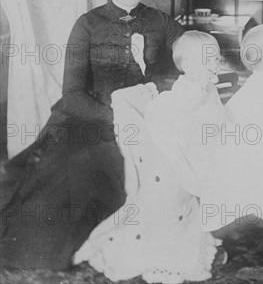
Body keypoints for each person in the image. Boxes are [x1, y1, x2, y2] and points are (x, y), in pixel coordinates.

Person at [0, 0, 185, 270]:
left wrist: (158, 94)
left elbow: (191, 56)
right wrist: (118, 117)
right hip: (88, 119)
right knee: (81, 164)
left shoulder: (160, 22)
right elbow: (71, 95)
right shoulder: (87, 25)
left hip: (142, 121)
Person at [73, 31, 223, 283]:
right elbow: (164, 119)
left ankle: (182, 247)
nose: (216, 63)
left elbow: (214, 119)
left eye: (217, 57)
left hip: (193, 156)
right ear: (187, 66)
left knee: (183, 207)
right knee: (165, 206)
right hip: (171, 158)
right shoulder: (184, 93)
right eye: (208, 59)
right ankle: (153, 257)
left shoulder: (205, 88)